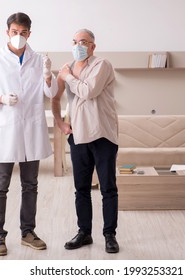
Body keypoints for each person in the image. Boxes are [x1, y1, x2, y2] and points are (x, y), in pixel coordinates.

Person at [0, 12, 57, 256]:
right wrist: (0, 98)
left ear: (29, 33)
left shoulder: (39, 60)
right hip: (6, 129)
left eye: (23, 33)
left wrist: (47, 76)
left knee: (30, 185)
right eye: (14, 32)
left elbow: (51, 94)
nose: (18, 37)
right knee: (0, 186)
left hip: (31, 129)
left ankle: (28, 232)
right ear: (7, 32)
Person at [52, 29, 119, 253]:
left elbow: (88, 91)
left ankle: (110, 235)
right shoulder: (68, 67)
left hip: (103, 135)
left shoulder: (102, 65)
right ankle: (84, 233)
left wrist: (67, 76)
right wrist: (61, 123)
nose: (78, 45)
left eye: (83, 42)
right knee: (81, 188)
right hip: (78, 136)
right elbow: (55, 96)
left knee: (108, 188)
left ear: (93, 46)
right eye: (74, 41)